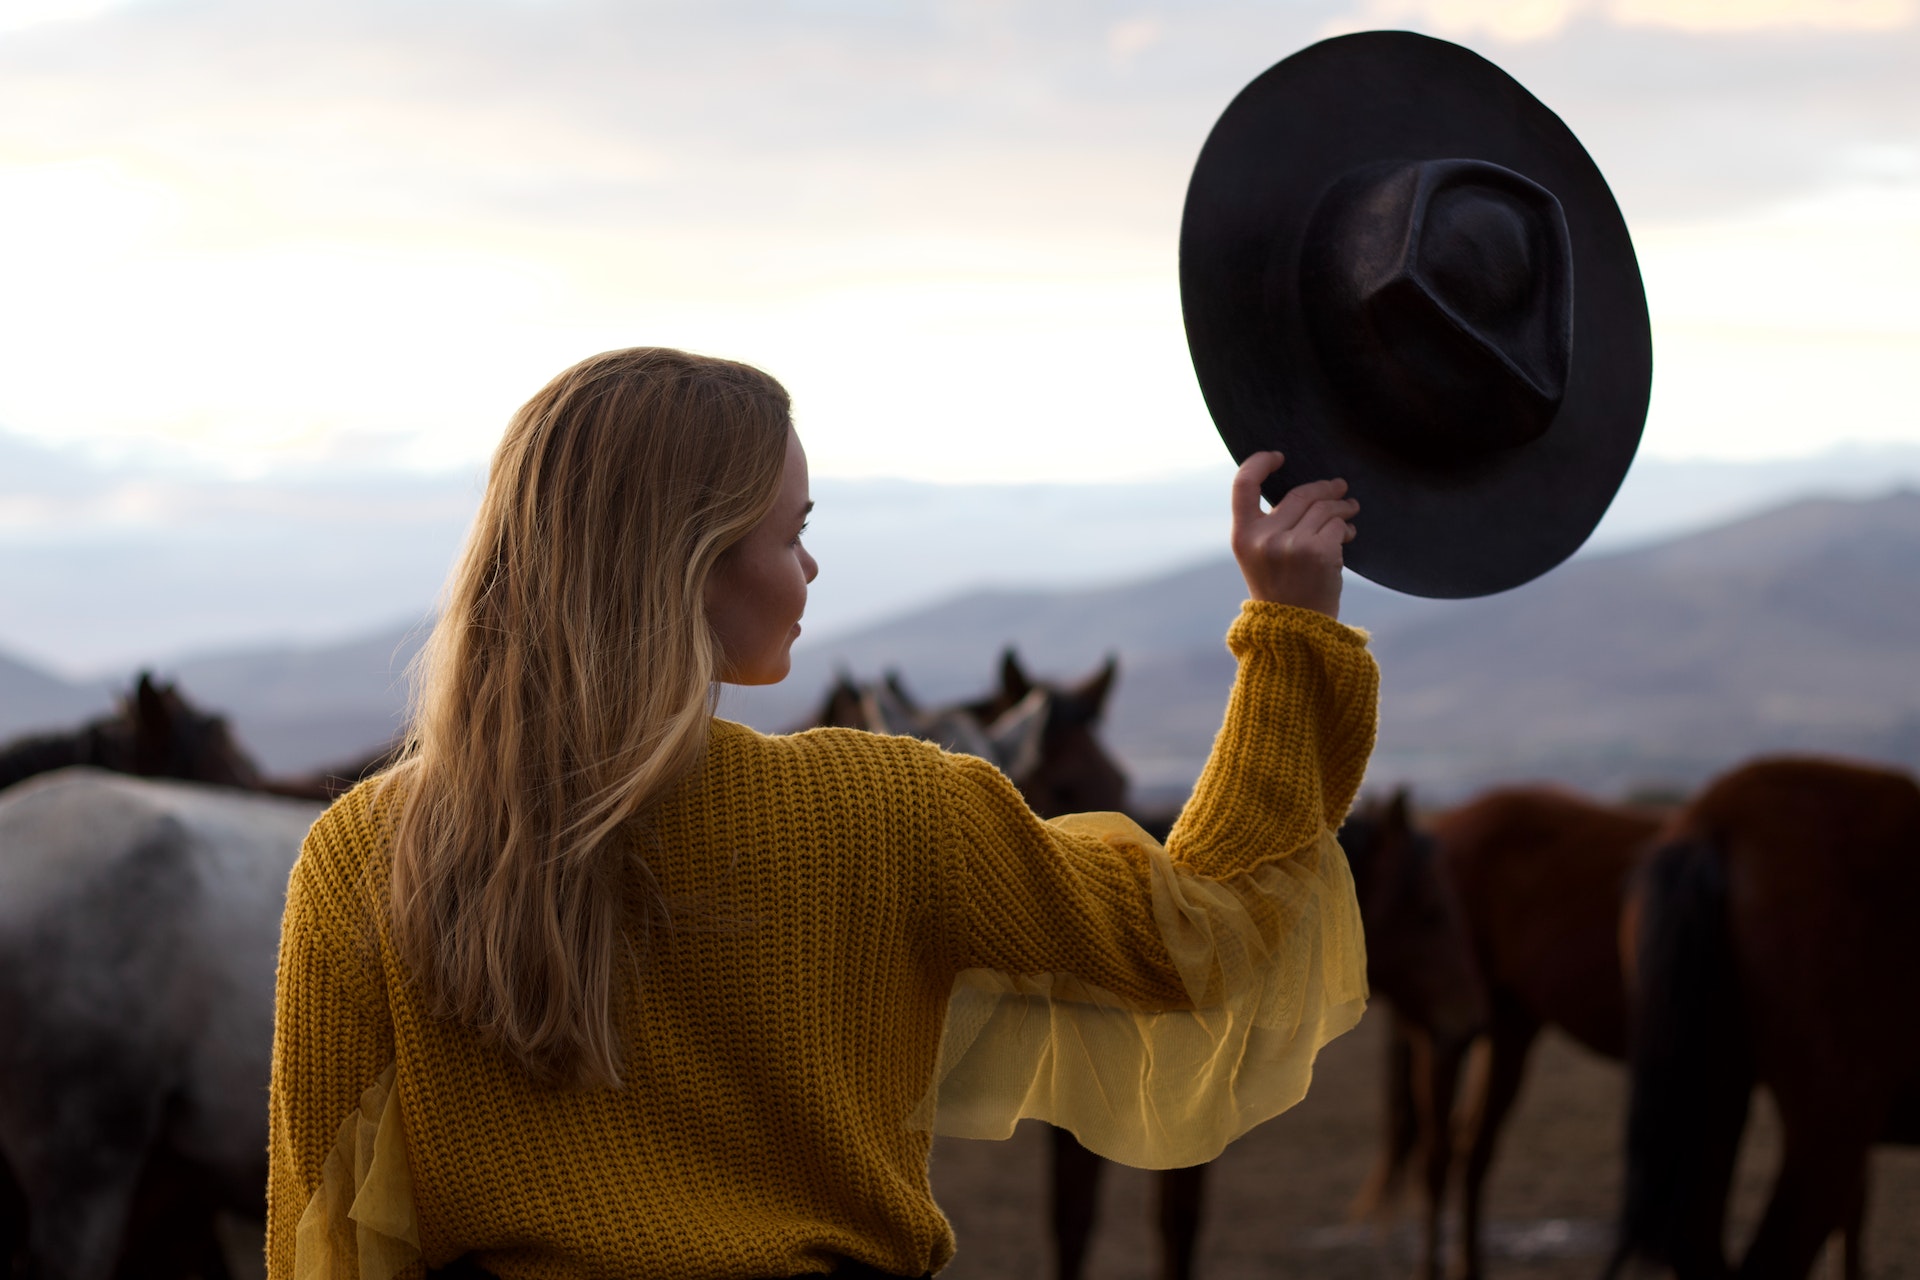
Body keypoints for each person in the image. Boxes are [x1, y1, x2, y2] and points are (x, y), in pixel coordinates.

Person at [266, 346, 1378, 1280]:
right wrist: (1289, 639)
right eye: (790, 531)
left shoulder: (366, 850)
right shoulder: (890, 810)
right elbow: (1198, 933)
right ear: (692, 566)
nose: (809, 566)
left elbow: (319, 1235)